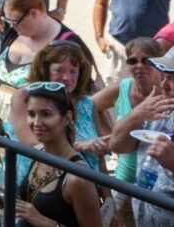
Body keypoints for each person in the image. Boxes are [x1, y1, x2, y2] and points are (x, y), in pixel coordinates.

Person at [0, 0, 91, 125]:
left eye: (15, 21)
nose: (11, 26)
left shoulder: (67, 43)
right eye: (8, 21)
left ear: (34, 13)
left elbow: (84, 96)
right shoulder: (17, 31)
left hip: (36, 132)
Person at [92, 37, 164, 226]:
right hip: (125, 178)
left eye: (146, 60)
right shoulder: (123, 88)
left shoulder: (168, 90)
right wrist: (105, 134)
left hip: (159, 185)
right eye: (132, 61)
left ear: (159, 62)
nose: (139, 66)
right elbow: (87, 107)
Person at [10, 42, 111, 174]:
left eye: (73, 71)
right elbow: (32, 144)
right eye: (59, 70)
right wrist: (81, 145)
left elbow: (99, 159)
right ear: (44, 70)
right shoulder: (25, 96)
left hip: (88, 186)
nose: (67, 78)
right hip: (42, 183)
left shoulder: (86, 104)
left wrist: (107, 194)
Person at [14, 83, 105, 227]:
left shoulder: (79, 178)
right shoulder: (39, 153)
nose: (36, 123)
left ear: (68, 117)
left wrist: (45, 223)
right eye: (31, 114)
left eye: (46, 114)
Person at [110, 48, 174, 227]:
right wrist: (136, 115)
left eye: (172, 78)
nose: (164, 85)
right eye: (164, 76)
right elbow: (117, 146)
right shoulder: (161, 106)